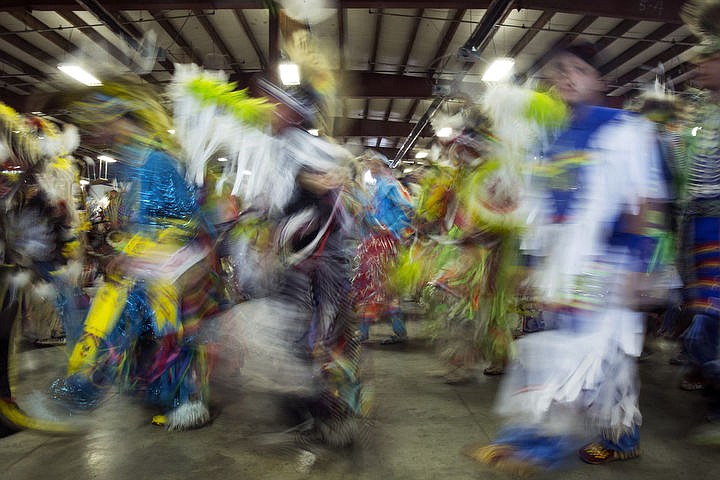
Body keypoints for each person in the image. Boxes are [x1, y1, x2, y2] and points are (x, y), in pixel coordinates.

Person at [465, 42, 669, 471]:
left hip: (608, 261)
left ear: (600, 81)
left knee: (596, 350)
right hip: (563, 265)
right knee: (568, 348)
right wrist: (529, 262)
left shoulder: (626, 129)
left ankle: (575, 440)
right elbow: (541, 208)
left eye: (579, 70)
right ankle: (536, 437)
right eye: (559, 71)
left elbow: (646, 202)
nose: (567, 77)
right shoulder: (551, 139)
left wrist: (637, 266)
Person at [50, 83, 223, 430]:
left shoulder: (155, 160)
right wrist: (124, 252)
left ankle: (186, 401)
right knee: (116, 320)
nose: (99, 133)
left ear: (120, 120)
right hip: (147, 265)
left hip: (174, 267)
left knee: (166, 328)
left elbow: (185, 217)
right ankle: (88, 389)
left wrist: (179, 261)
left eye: (102, 123)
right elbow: (142, 223)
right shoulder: (133, 162)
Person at [672, 0, 720, 442]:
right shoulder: (699, 117)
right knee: (701, 315)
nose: (701, 68)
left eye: (711, 59)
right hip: (697, 226)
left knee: (708, 321)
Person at [352, 152, 414, 344]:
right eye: (370, 163)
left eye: (374, 163)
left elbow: (409, 209)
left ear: (383, 165)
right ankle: (396, 330)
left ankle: (366, 331)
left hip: (385, 244)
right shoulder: (377, 186)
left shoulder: (391, 185)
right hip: (374, 242)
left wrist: (391, 228)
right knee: (380, 288)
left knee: (377, 286)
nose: (371, 166)